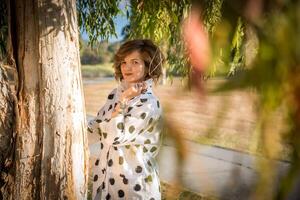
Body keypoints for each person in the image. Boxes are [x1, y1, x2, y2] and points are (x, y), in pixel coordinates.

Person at [88, 39, 165, 200]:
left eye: (135, 62)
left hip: (134, 187)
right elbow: (96, 129)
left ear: (148, 66)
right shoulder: (116, 94)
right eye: (123, 62)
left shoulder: (149, 103)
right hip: (105, 184)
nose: (127, 67)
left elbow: (113, 137)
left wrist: (122, 101)